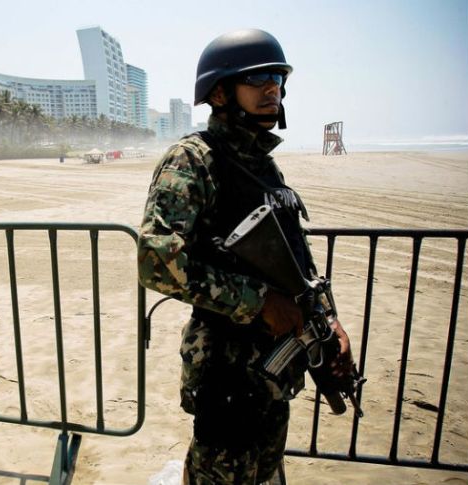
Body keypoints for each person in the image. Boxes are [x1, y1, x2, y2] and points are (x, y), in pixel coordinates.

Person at [137, 29, 355, 484]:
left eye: (277, 77)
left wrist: (327, 321)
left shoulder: (262, 167)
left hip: (272, 370)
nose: (272, 87)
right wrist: (258, 301)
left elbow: (296, 260)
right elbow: (157, 263)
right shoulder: (193, 160)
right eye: (257, 79)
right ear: (220, 91)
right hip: (227, 370)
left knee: (265, 470)